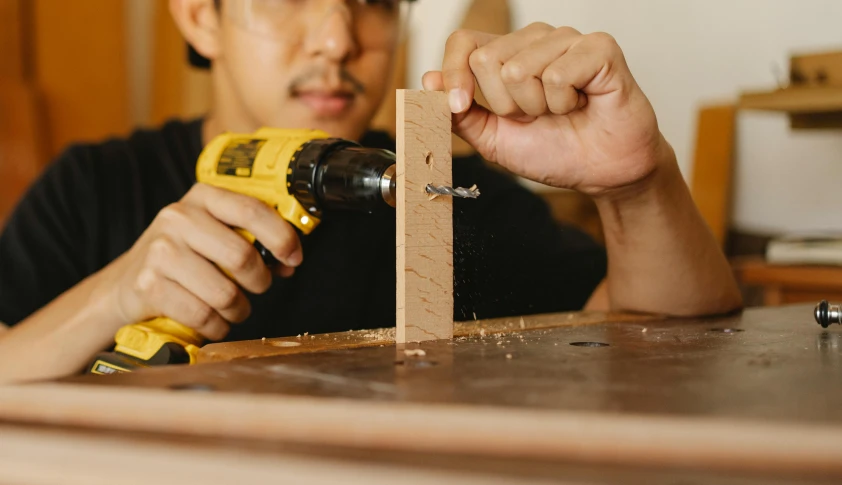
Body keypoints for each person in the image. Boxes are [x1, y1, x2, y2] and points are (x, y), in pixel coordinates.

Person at [0, 0, 742, 384]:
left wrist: (638, 184)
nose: (336, 39)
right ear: (202, 16)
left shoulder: (438, 190)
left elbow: (671, 350)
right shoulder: (94, 187)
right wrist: (116, 297)